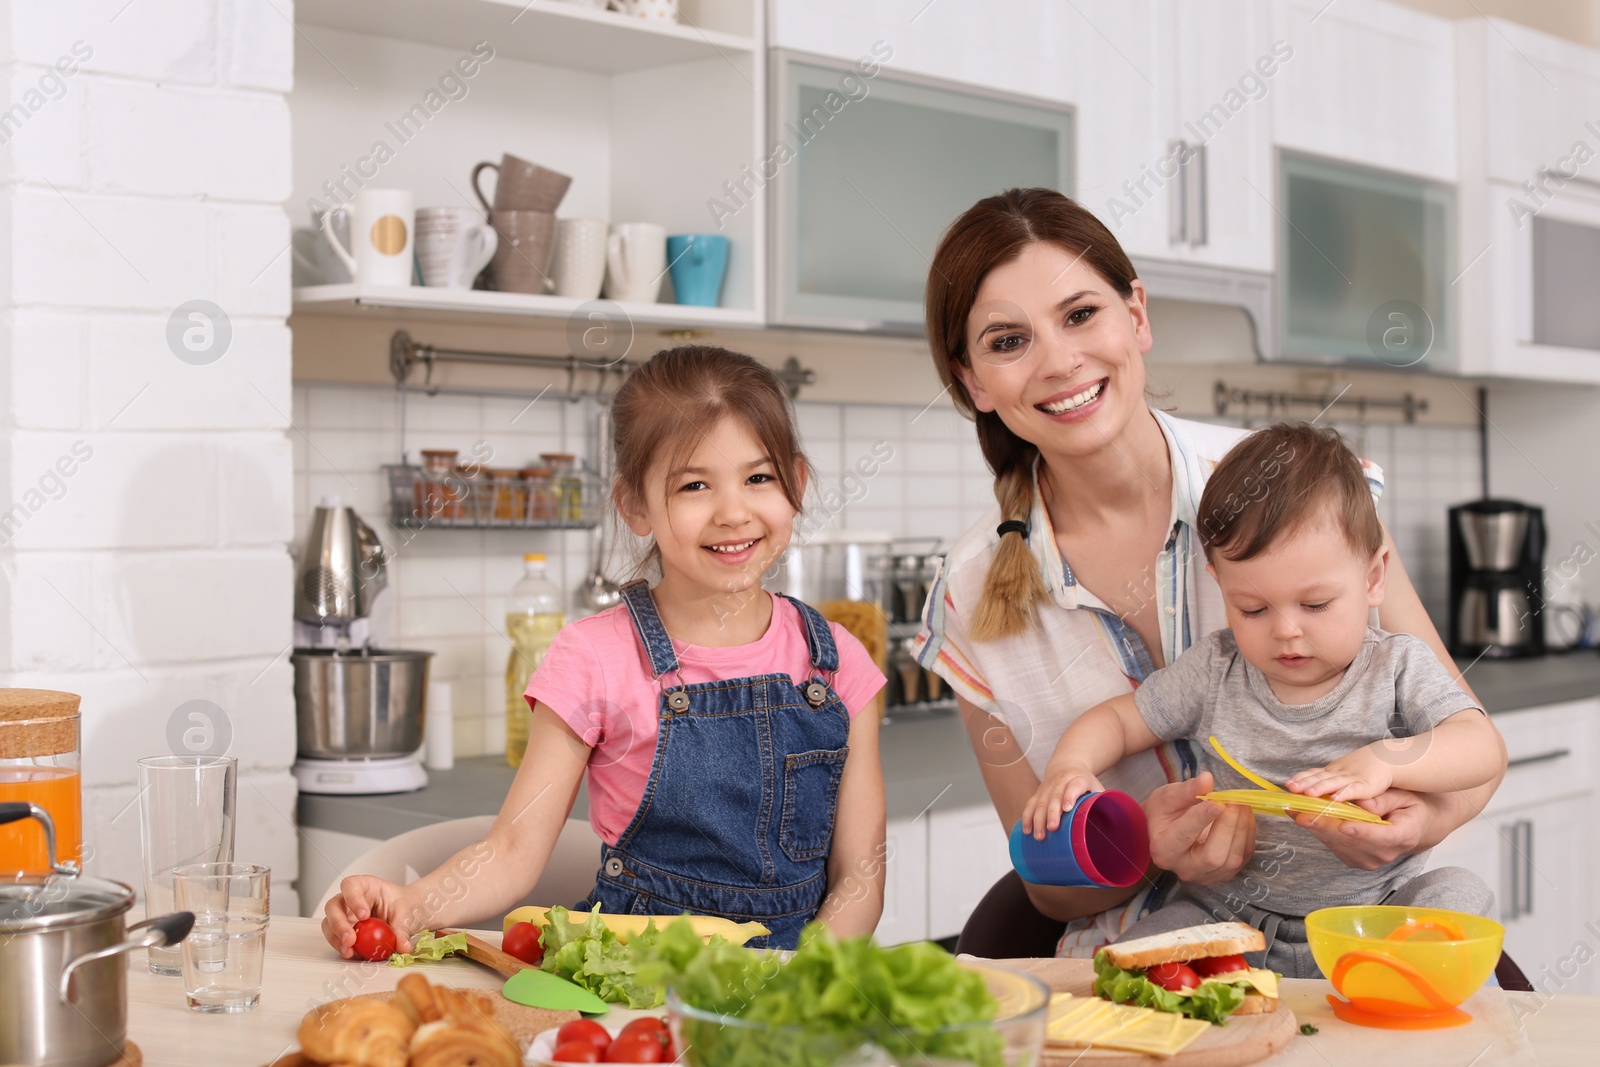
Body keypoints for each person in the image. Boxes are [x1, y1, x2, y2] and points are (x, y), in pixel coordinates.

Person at [912, 187, 1505, 956]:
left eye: (1081, 314)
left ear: (1137, 315)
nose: (1060, 360)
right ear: (972, 383)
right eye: (1007, 340)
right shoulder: (969, 591)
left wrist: (1425, 820)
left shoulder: (1304, 493)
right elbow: (1047, 885)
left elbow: (1472, 749)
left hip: (1356, 937)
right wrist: (1143, 848)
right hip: (1154, 967)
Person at [322, 346, 887, 954]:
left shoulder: (834, 661)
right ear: (635, 506)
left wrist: (802, 982)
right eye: (694, 485)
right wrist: (410, 905)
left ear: (796, 484)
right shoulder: (593, 658)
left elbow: (859, 876)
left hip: (790, 992)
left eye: (759, 478)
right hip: (633, 991)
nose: (733, 513)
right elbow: (513, 851)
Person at [1020, 424, 1502, 975]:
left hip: (1373, 920)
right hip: (1231, 917)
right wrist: (1070, 765)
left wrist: (1382, 762)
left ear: (1373, 579)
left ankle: (1398, 1000)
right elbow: (1117, 720)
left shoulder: (1396, 666)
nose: (1286, 632)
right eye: (1252, 609)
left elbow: (1480, 744)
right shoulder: (1214, 669)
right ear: (1219, 584)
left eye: (1316, 604)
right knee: (1131, 959)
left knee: (1459, 892)